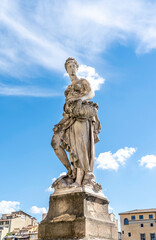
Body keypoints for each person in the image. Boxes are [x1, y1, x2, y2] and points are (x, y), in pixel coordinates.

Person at [51, 57, 101, 188]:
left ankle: (79, 179)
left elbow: (91, 93)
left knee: (79, 146)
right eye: (69, 67)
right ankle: (70, 171)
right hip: (68, 117)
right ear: (66, 70)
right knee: (55, 143)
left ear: (77, 68)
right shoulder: (68, 87)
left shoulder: (83, 81)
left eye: (73, 66)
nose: (72, 69)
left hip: (81, 115)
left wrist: (81, 99)